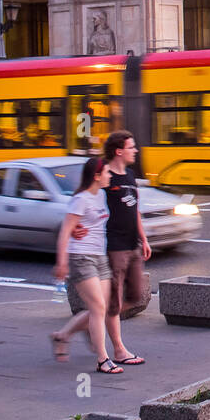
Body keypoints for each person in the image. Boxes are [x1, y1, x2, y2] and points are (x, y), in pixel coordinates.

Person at [50, 156, 124, 374]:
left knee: (100, 308)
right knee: (98, 308)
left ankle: (62, 336)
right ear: (97, 176)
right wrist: (62, 263)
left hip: (99, 257)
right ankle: (103, 359)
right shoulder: (80, 199)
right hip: (80, 257)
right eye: (107, 172)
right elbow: (65, 231)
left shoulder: (100, 195)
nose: (110, 175)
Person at [99, 130, 149, 366]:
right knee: (114, 302)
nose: (135, 150)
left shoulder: (129, 174)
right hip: (115, 245)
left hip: (133, 244)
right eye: (132, 147)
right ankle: (118, 350)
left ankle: (90, 323)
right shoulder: (104, 176)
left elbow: (135, 209)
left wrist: (144, 238)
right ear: (119, 151)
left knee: (135, 295)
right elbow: (85, 200)